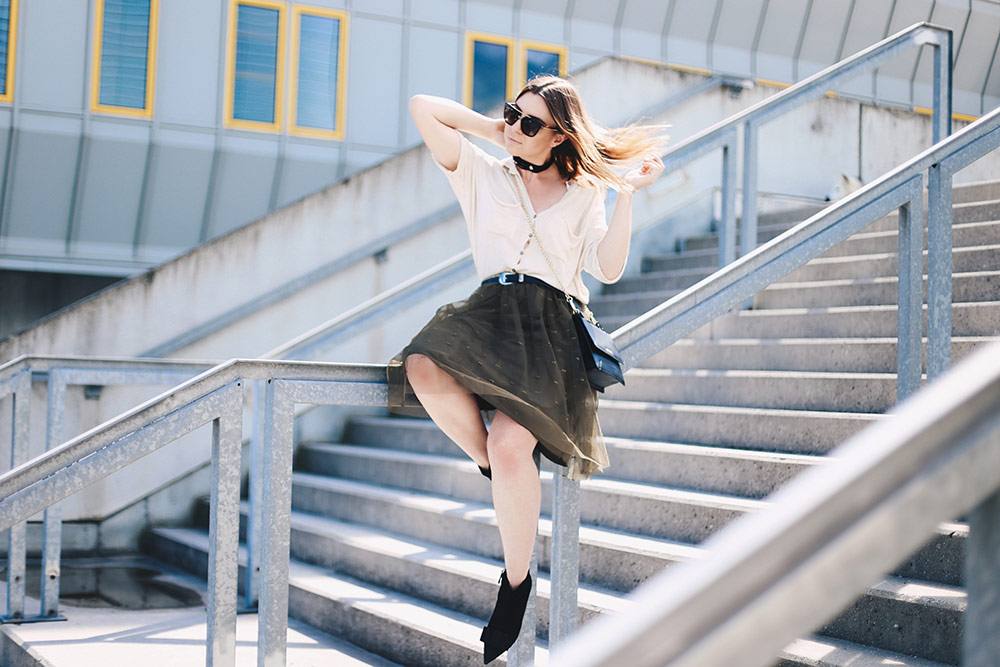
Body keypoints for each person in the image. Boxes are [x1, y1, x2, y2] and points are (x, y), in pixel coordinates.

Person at [387, 75, 666, 663]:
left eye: (531, 122)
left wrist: (627, 196)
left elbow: (608, 269)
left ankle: (515, 586)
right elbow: (423, 106)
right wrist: (497, 129)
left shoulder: (585, 192)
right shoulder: (483, 172)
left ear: (560, 133)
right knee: (420, 366)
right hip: (491, 316)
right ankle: (494, 465)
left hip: (551, 332)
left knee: (515, 445)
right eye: (513, 114)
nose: (515, 127)